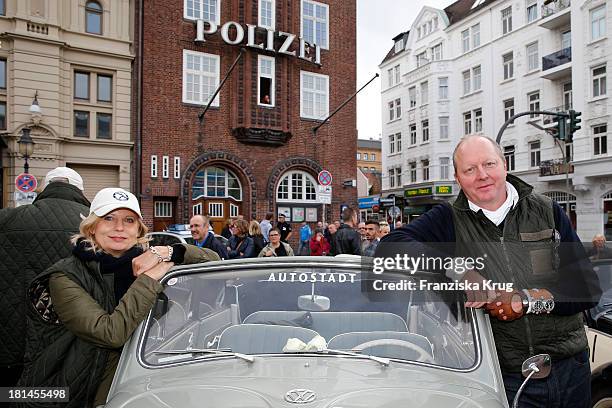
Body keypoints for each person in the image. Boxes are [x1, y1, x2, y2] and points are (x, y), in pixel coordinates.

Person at [379, 135, 601, 408]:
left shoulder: (547, 210)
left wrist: (525, 300)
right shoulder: (447, 218)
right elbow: (389, 248)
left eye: (489, 164)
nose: (482, 175)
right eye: (469, 169)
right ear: (458, 179)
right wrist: (458, 269)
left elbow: (587, 289)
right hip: (501, 376)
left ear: (504, 165)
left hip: (570, 369)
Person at [16, 187, 220, 407]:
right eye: (109, 218)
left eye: (129, 220)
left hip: (136, 379)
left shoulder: (147, 259)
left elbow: (215, 260)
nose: (119, 227)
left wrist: (171, 252)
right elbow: (110, 333)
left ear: (139, 230)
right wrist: (149, 280)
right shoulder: (64, 276)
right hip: (67, 391)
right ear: (92, 227)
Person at [0, 167, 90, 387]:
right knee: (62, 394)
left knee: (13, 394)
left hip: (12, 341)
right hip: (73, 339)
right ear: (79, 190)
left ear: (44, 188)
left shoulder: (8, 219)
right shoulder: (93, 224)